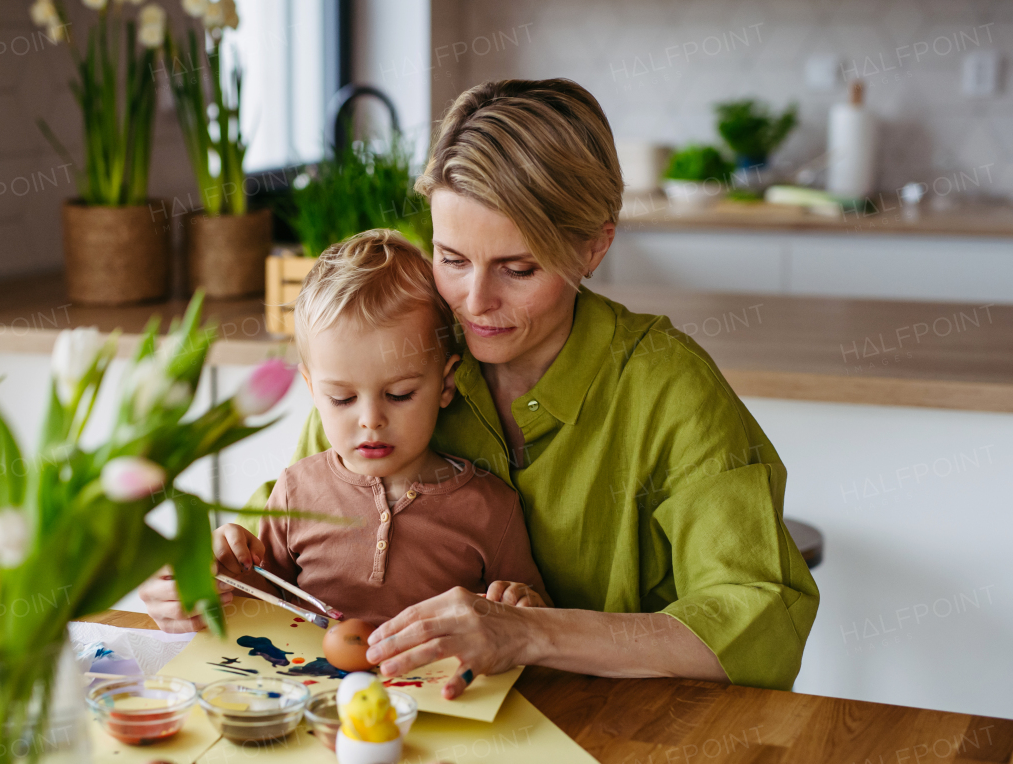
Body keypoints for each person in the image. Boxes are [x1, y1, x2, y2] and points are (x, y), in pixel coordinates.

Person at [141, 78, 818, 699]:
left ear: (594, 247)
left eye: (517, 268)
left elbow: (759, 616)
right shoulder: (400, 352)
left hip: (626, 734)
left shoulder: (667, 386)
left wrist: (529, 632)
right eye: (452, 258)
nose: (474, 302)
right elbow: (296, 525)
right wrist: (222, 569)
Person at [204, 229, 549, 625]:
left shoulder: (490, 509)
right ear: (311, 389)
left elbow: (535, 621)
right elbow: (266, 599)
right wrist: (229, 572)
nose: (371, 420)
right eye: (342, 399)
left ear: (446, 384)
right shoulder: (295, 492)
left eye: (399, 394)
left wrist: (522, 605)